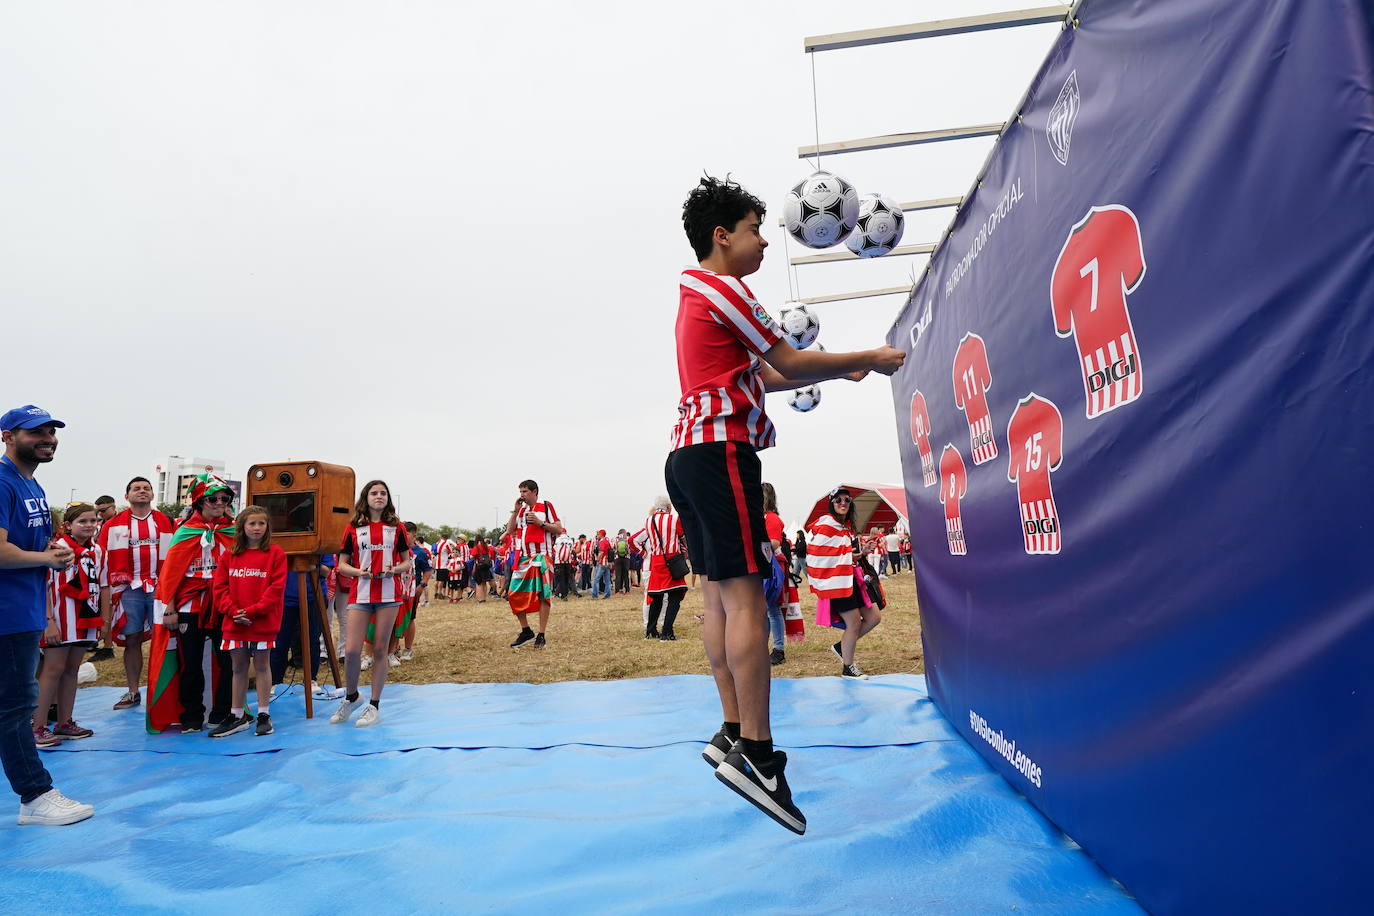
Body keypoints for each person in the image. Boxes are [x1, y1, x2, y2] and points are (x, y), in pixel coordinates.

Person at [667, 177, 904, 834]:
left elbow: (764, 375)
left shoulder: (695, 296)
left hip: (687, 455)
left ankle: (730, 731)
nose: (764, 240)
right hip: (720, 453)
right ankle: (760, 758)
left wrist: (836, 368)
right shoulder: (725, 288)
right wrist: (872, 357)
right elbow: (787, 361)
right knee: (745, 600)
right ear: (723, 237)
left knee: (718, 597)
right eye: (753, 229)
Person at [0, 406, 94, 825]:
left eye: (51, 431)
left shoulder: (32, 485)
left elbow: (30, 549)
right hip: (8, 612)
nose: (47, 438)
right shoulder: (3, 483)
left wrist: (53, 554)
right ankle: (35, 796)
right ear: (7, 436)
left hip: (24, 609)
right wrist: (47, 558)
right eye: (35, 431)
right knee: (17, 707)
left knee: (15, 703)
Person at [149, 474, 236, 733]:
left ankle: (223, 713)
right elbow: (170, 574)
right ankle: (191, 715)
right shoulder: (186, 532)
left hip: (223, 604)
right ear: (200, 502)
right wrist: (171, 608)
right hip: (190, 607)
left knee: (230, 661)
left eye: (225, 498)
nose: (219, 503)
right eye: (213, 498)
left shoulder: (232, 531)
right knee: (190, 663)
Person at [330, 480, 411, 727]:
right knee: (352, 651)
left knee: (380, 651)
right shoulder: (353, 528)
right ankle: (352, 696)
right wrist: (357, 571)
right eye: (374, 493)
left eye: (383, 493)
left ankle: (374, 705)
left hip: (388, 595)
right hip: (360, 594)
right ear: (366, 497)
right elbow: (341, 564)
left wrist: (393, 569)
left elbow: (407, 562)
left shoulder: (397, 528)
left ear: (388, 498)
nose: (379, 496)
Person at [97, 477, 175, 711]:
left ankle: (163, 691)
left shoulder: (166, 521)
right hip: (129, 589)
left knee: (165, 640)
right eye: (136, 488)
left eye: (146, 488)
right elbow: (101, 556)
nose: (142, 491)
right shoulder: (112, 525)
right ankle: (132, 692)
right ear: (126, 496)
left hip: (160, 588)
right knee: (132, 639)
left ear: (152, 495)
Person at [33, 502, 108, 746]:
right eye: (82, 521)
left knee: (72, 670)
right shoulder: (57, 548)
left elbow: (103, 585)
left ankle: (65, 722)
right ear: (68, 525)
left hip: (85, 618)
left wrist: (104, 619)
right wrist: (48, 621)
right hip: (59, 619)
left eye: (93, 521)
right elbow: (42, 585)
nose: (88, 526)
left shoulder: (97, 550)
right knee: (52, 670)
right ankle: (38, 726)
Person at [210, 506, 286, 738]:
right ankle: (237, 715)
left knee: (262, 666)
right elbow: (219, 588)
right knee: (238, 668)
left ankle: (263, 713)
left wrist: (252, 612)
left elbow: (275, 589)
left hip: (262, 622)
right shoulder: (229, 554)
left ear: (267, 527)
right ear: (242, 526)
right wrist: (233, 611)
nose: (256, 528)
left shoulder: (276, 554)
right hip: (235, 622)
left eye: (261, 524)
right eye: (252, 523)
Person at [806, 488, 883, 680]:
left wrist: (861, 553)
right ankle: (848, 667)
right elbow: (817, 558)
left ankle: (842, 647)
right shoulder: (826, 526)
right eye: (838, 500)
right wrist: (846, 557)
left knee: (874, 617)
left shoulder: (842, 527)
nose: (843, 503)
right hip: (836, 583)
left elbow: (843, 556)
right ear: (831, 503)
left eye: (847, 500)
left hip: (850, 580)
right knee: (854, 623)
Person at [504, 480, 563, 648]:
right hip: (524, 558)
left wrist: (540, 523)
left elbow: (559, 529)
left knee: (543, 595)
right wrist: (515, 511)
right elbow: (510, 530)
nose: (522, 494)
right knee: (513, 593)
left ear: (534, 491)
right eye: (521, 491)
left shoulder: (546, 506)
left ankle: (541, 634)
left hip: (542, 556)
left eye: (525, 491)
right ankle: (526, 630)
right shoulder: (521, 510)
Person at [636, 496, 688, 640]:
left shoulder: (648, 520)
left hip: (656, 561)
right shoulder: (674, 519)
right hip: (672, 560)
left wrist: (644, 552)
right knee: (675, 596)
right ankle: (667, 632)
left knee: (656, 597)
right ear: (668, 507)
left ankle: (651, 631)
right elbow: (683, 538)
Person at [552, 530, 576, 601]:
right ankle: (565, 594)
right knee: (566, 578)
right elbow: (571, 550)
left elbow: (554, 549)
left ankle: (562, 595)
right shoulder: (570, 540)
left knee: (561, 578)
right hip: (568, 561)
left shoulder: (558, 539)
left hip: (559, 561)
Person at [469, 536, 494, 602]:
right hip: (486, 566)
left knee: (479, 583)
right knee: (484, 583)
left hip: (479, 566)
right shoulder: (486, 547)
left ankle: (480, 599)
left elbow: (471, 557)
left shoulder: (476, 547)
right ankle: (484, 598)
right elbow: (490, 556)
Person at [591, 529, 613, 599]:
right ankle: (607, 595)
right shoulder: (607, 541)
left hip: (602, 562)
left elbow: (601, 552)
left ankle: (595, 595)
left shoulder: (602, 542)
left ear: (601, 535)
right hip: (607, 562)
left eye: (598, 534)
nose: (597, 535)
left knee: (596, 579)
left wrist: (597, 560)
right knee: (607, 581)